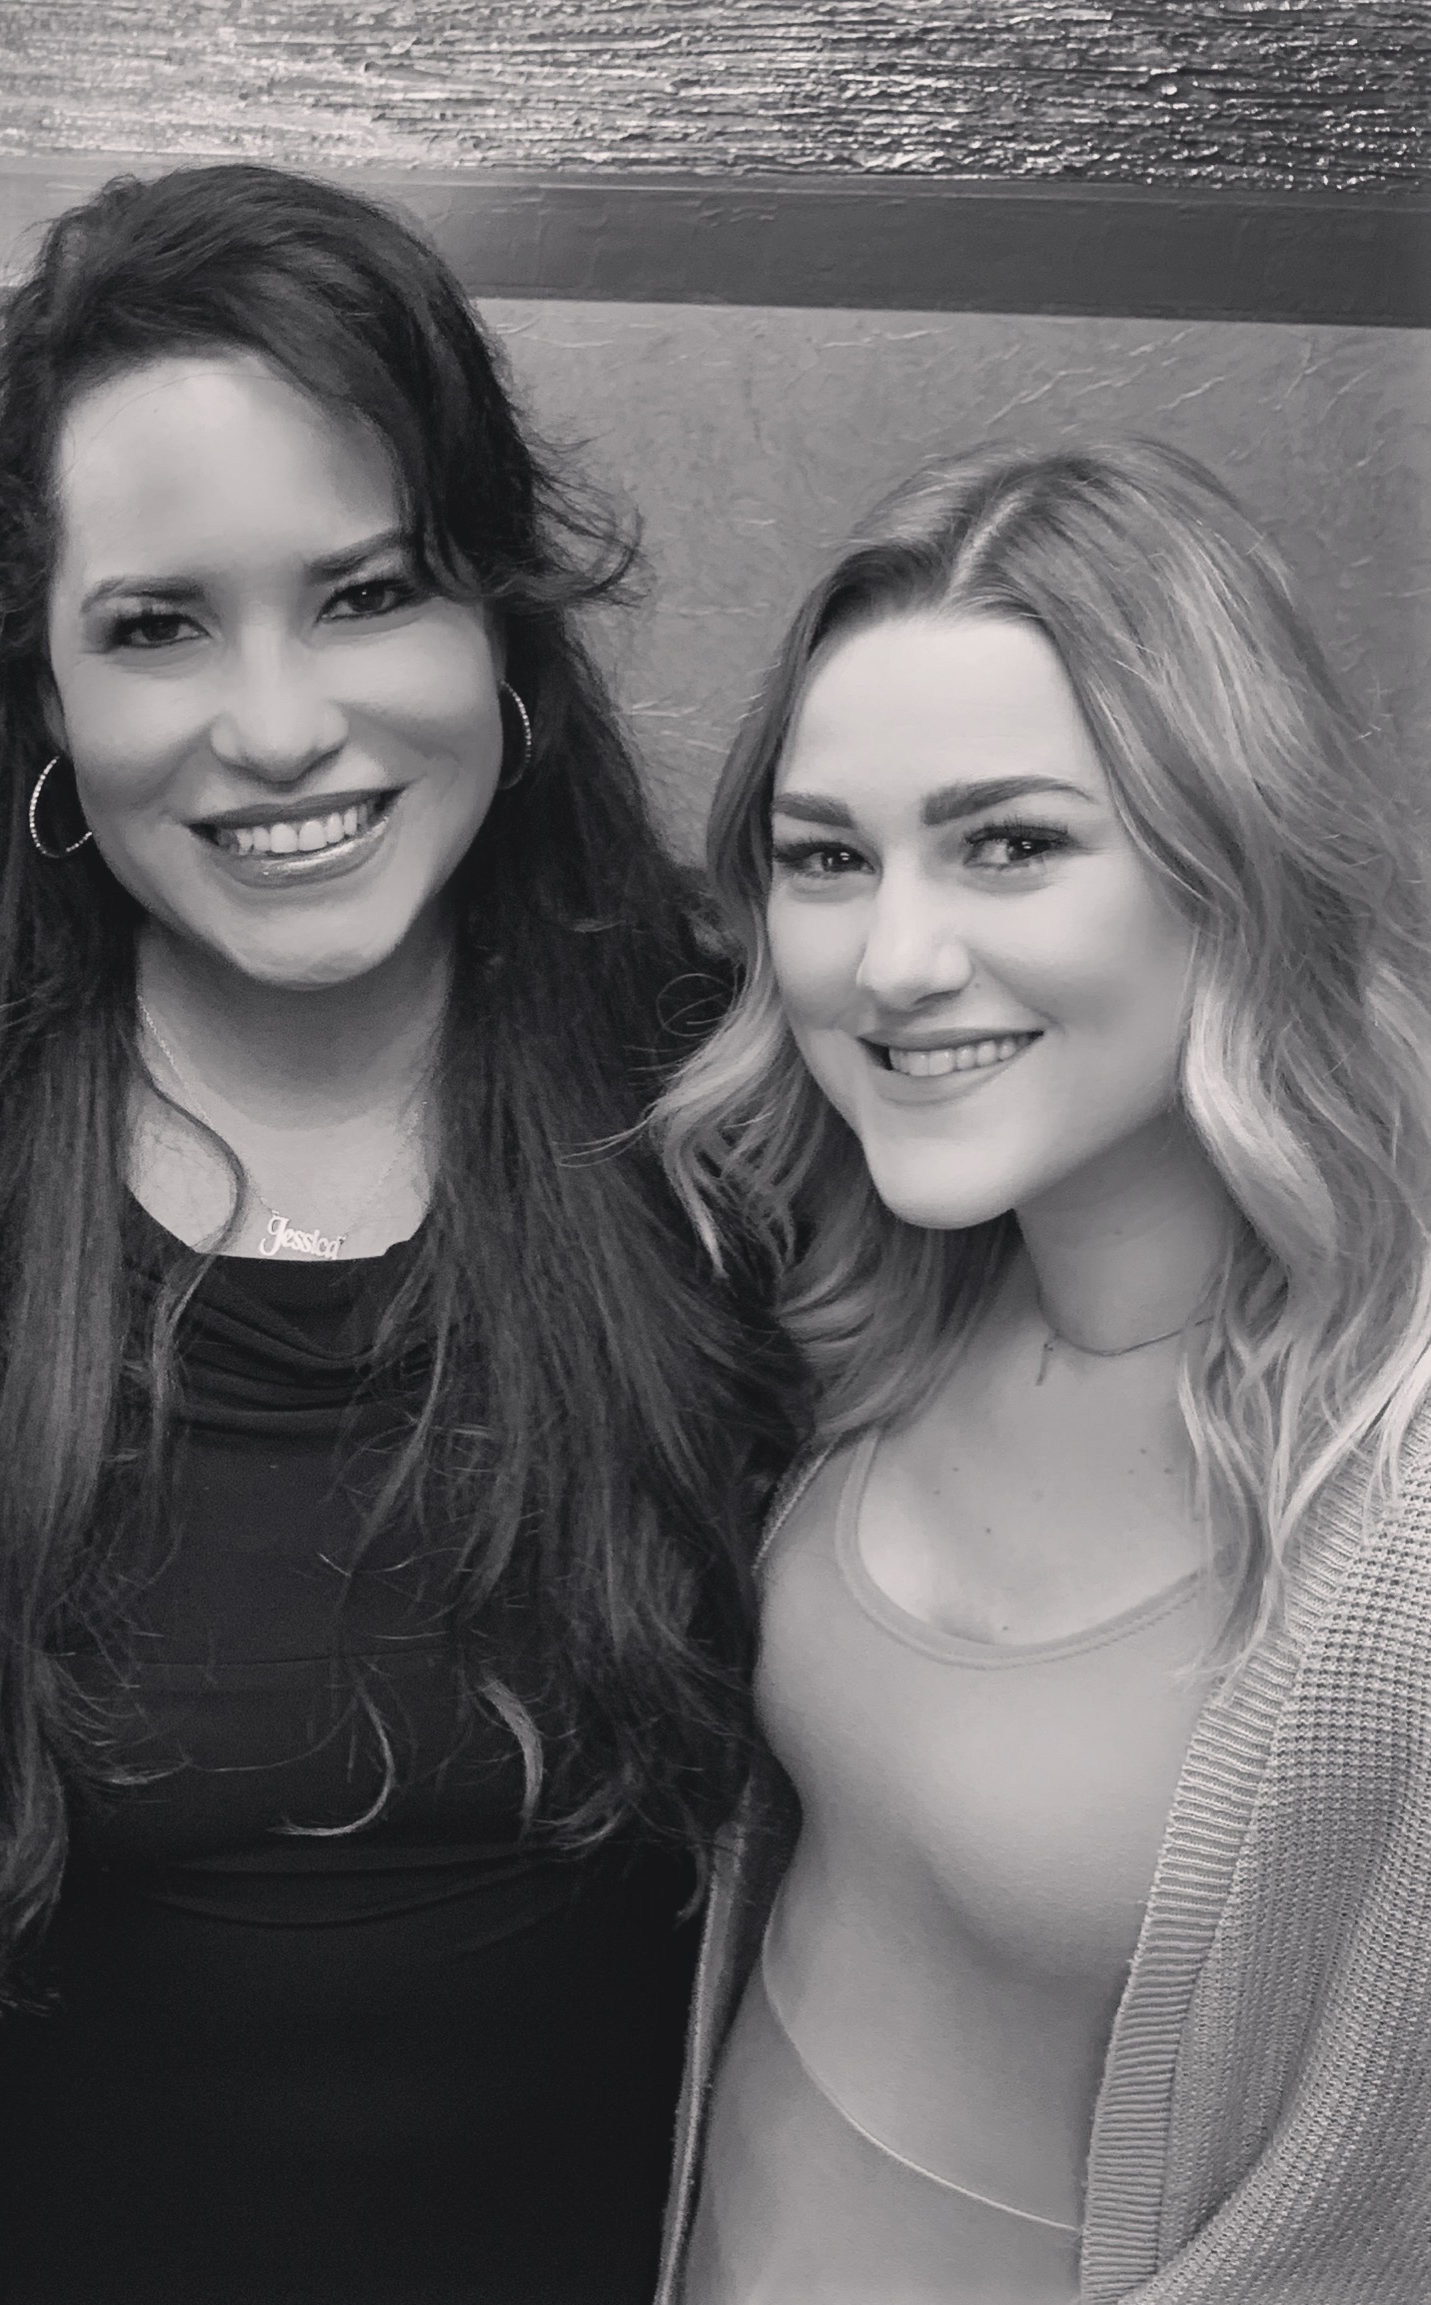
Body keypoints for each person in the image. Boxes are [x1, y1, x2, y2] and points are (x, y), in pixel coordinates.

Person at [0, 162, 797, 2304]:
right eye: (158, 625)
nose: (279, 726)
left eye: (367, 591)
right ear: (40, 691)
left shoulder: (736, 1099)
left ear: (502, 619)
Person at [650, 439, 1431, 2302]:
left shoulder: (1397, 1519)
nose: (893, 959)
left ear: (1232, 862)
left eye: (1008, 842)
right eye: (827, 858)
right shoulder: (879, 1307)